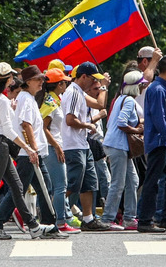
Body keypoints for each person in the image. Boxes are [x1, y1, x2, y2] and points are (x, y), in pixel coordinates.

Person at [0, 63, 58, 241]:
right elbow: (8, 130)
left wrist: (11, 107)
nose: (13, 79)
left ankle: (33, 226)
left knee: (17, 188)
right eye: (11, 76)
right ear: (7, 78)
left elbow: (0, 122)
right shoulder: (1, 100)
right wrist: (27, 147)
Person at [137, 54, 166, 233]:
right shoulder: (157, 90)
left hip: (164, 142)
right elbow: (159, 120)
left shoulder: (163, 89)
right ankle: (145, 220)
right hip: (159, 142)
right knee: (153, 181)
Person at [60, 61, 110, 231]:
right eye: (93, 79)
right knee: (72, 184)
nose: (94, 83)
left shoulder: (80, 92)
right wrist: (88, 125)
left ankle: (88, 219)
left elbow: (100, 105)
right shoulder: (73, 93)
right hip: (73, 145)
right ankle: (54, 214)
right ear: (83, 77)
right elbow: (70, 120)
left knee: (89, 183)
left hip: (82, 144)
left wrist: (103, 88)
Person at [102, 70, 145, 231]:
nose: (143, 87)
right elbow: (121, 122)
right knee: (118, 183)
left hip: (118, 145)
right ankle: (107, 219)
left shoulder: (121, 98)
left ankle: (129, 218)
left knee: (132, 180)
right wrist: (137, 131)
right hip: (118, 146)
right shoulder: (128, 101)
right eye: (141, 84)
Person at [39, 67, 78, 233]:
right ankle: (61, 222)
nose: (66, 85)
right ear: (59, 85)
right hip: (52, 148)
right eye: (64, 82)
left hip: (53, 146)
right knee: (60, 186)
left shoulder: (54, 100)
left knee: (55, 186)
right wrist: (56, 146)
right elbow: (43, 127)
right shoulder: (51, 102)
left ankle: (56, 220)